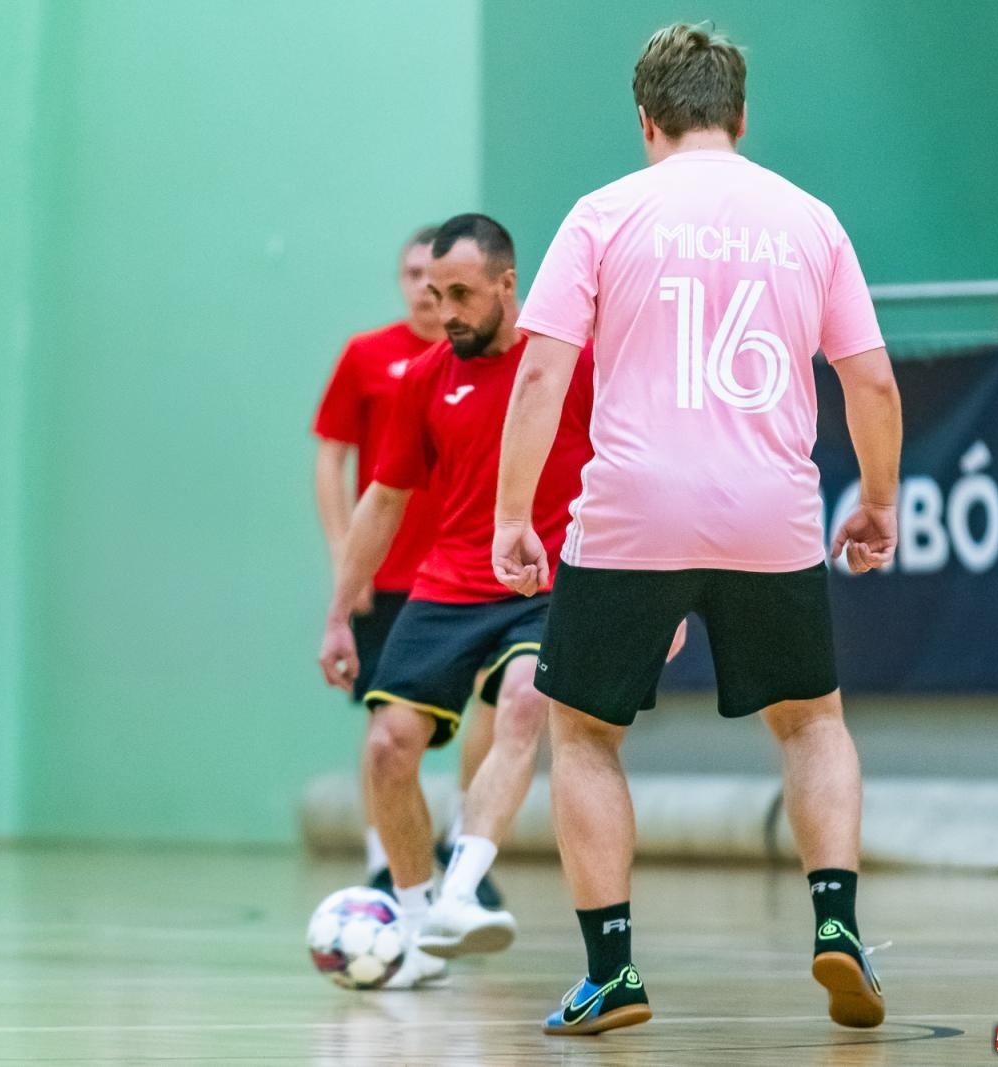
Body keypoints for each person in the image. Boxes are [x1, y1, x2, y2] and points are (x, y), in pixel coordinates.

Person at [493, 23, 902, 1035]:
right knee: (812, 719)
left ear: (645, 119)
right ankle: (837, 921)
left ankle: (612, 972)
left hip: (635, 509)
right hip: (770, 512)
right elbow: (871, 381)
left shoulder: (604, 212)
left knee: (585, 731)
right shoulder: (809, 219)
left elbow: (541, 371)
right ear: (740, 115)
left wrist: (510, 513)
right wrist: (879, 501)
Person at [320, 213, 599, 987]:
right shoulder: (426, 378)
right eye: (434, 293)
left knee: (520, 704)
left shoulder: (570, 364)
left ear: (509, 284)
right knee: (386, 747)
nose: (445, 312)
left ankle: (464, 887)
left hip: (544, 583)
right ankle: (413, 929)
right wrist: (341, 611)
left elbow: (634, 469)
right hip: (447, 585)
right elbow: (382, 501)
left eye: (462, 294)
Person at [312, 225, 501, 907]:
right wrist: (344, 558)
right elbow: (335, 460)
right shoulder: (371, 357)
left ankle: (465, 845)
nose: (428, 290)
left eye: (443, 279)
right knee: (387, 724)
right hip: (393, 578)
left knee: (504, 702)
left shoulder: (501, 361)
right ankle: (384, 867)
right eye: (415, 275)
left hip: (481, 574)